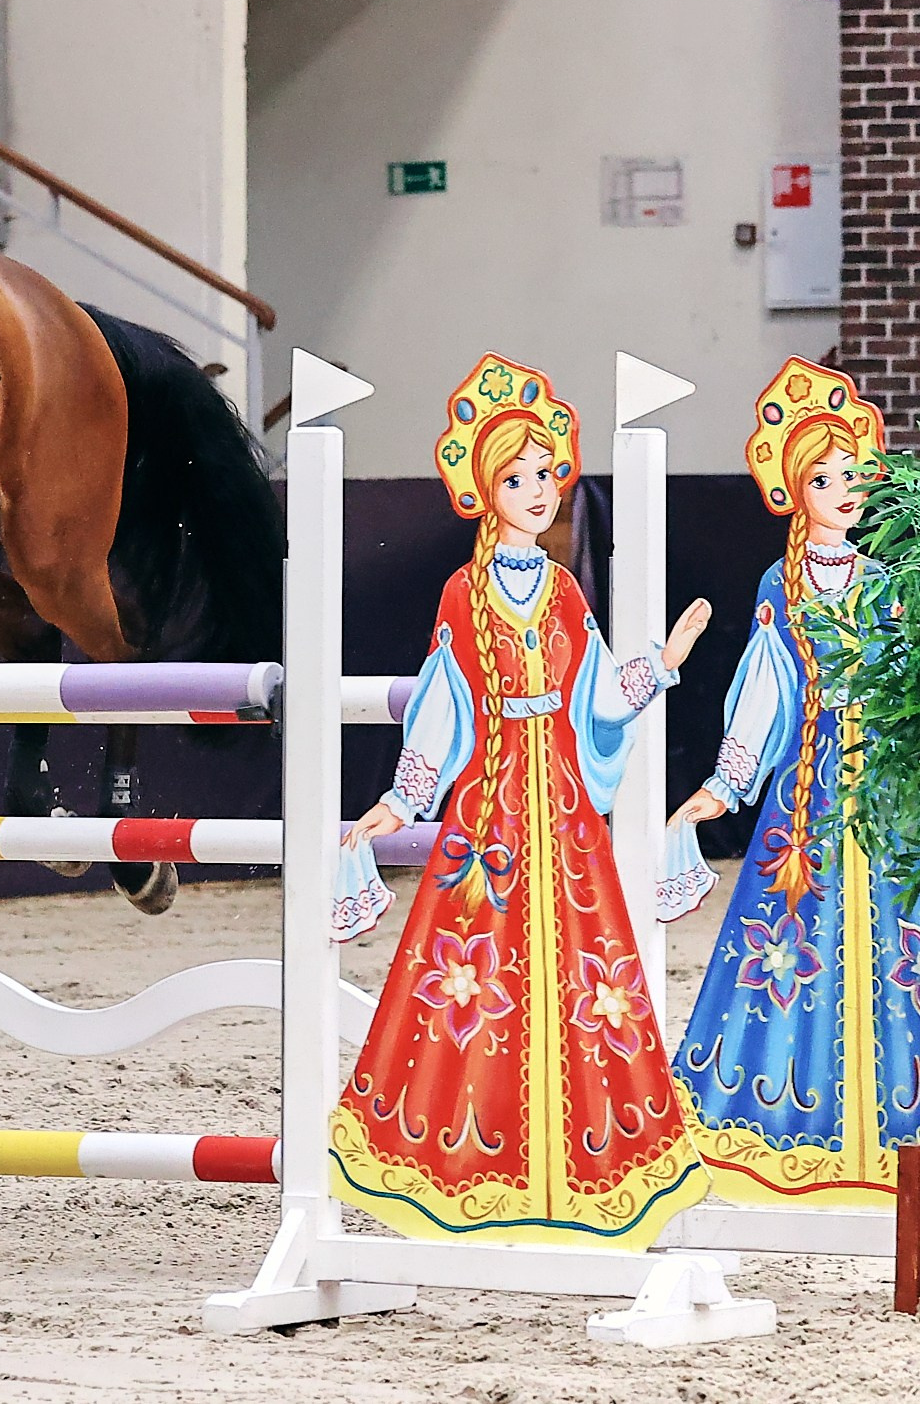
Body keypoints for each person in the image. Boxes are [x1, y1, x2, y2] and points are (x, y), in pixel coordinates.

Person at [330, 355, 712, 1247]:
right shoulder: (463, 595)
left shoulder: (567, 591)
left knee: (586, 973)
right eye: (517, 476)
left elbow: (599, 696)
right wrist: (405, 794)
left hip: (566, 816)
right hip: (492, 811)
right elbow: (444, 699)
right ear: (484, 490)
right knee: (472, 976)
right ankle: (474, 1163)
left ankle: (581, 1167)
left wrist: (660, 664)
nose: (538, 490)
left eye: (547, 474)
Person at [666, 358, 920, 1205]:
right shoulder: (783, 586)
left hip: (883, 790)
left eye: (852, 473)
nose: (843, 488)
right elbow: (767, 687)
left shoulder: (889, 585)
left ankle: (892, 1129)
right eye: (823, 475)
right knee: (785, 938)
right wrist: (727, 781)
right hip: (807, 792)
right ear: (793, 489)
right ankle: (790, 1125)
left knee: (897, 939)